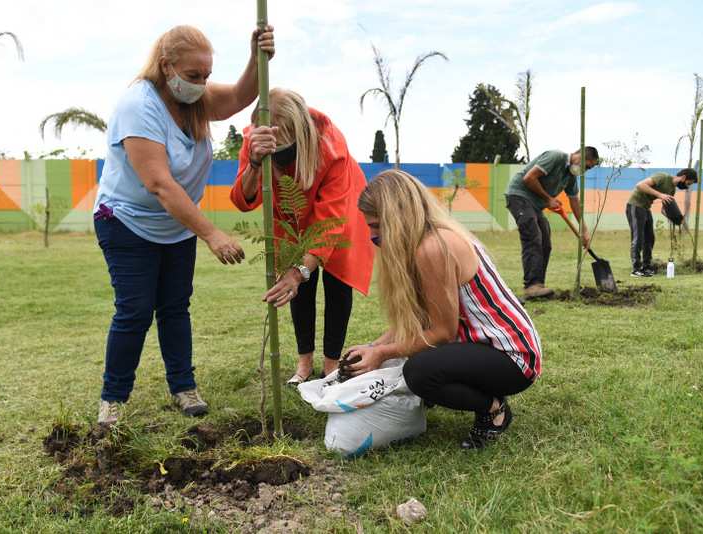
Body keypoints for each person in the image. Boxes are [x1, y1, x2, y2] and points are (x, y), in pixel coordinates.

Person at [92, 25, 275, 425]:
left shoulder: (191, 98)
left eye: (206, 76)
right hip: (127, 221)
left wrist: (255, 56)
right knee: (135, 310)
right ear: (166, 67)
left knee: (175, 307)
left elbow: (240, 98)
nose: (202, 85)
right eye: (194, 76)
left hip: (175, 225)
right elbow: (159, 184)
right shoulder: (138, 106)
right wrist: (211, 233)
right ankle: (113, 399)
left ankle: (183, 387)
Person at [342, 169, 542, 449]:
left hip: (514, 358)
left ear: (398, 218)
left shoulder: (434, 248)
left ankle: (494, 409)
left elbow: (442, 333)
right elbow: (422, 315)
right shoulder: (427, 241)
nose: (373, 236)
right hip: (485, 348)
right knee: (412, 360)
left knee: (419, 372)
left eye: (377, 226)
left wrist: (383, 353)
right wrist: (373, 347)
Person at [231, 88, 374, 385]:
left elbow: (330, 223)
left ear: (301, 137)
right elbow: (242, 200)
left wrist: (300, 271)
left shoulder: (331, 148)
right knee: (300, 286)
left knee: (337, 282)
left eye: (284, 153)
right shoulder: (257, 139)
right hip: (291, 215)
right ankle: (304, 363)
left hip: (340, 213)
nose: (280, 162)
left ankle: (332, 364)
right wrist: (256, 163)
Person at [505, 148, 599, 299]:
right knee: (533, 237)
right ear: (578, 156)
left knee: (545, 242)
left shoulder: (570, 178)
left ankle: (539, 285)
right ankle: (532, 286)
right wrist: (548, 199)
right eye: (586, 166)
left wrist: (584, 230)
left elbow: (574, 201)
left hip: (535, 205)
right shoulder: (555, 157)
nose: (584, 171)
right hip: (519, 196)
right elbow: (529, 178)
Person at [626, 169, 698, 276]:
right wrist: (660, 195)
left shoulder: (672, 190)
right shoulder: (662, 177)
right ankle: (636, 269)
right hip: (635, 205)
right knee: (638, 238)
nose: (687, 186)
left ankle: (646, 267)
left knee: (650, 238)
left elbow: (664, 209)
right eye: (688, 183)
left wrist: (676, 218)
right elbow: (640, 185)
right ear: (683, 178)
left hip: (646, 208)